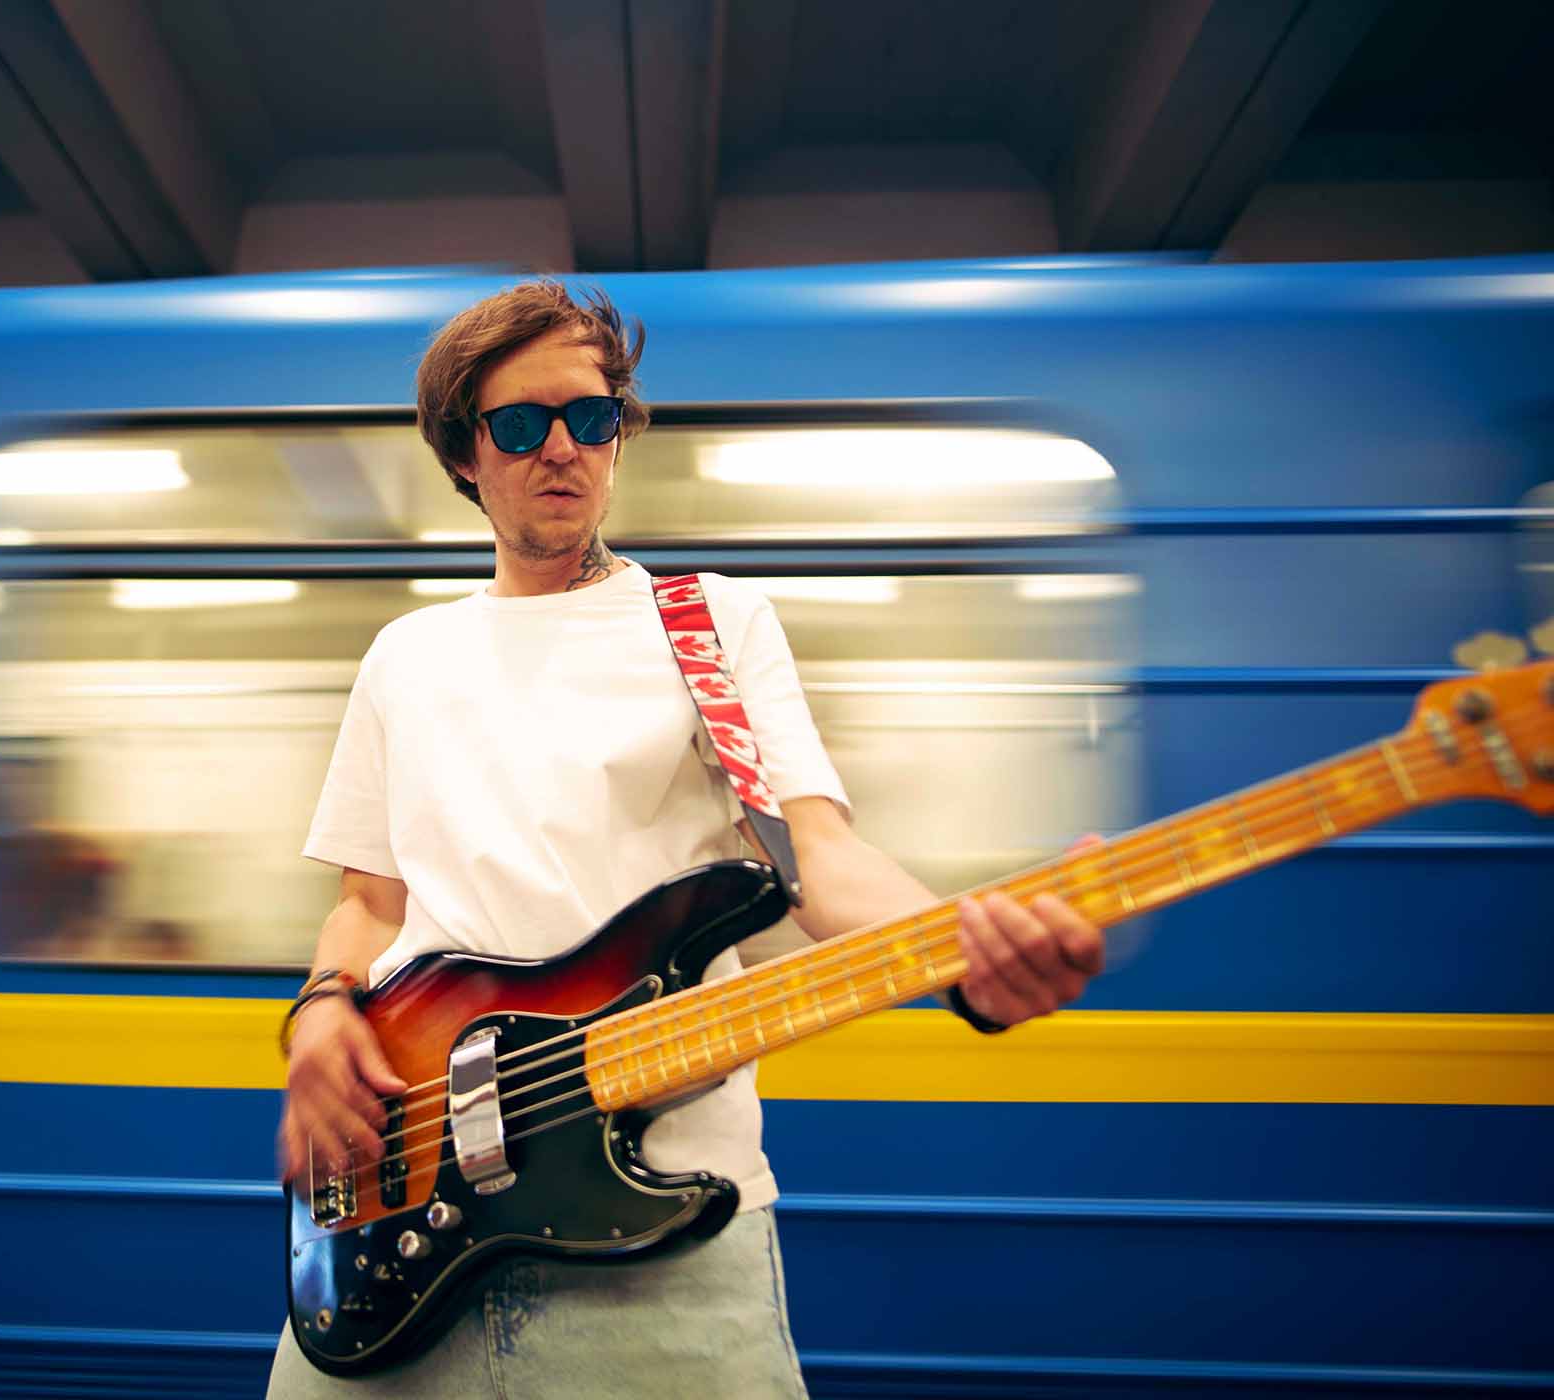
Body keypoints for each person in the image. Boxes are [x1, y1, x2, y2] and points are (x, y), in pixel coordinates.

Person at [266, 280, 1106, 1398]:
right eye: (519, 425)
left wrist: (965, 953)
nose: (561, 447)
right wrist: (322, 1010)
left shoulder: (707, 624)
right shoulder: (404, 657)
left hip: (657, 1247)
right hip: (408, 1213)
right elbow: (368, 906)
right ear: (464, 454)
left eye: (591, 416)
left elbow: (816, 859)